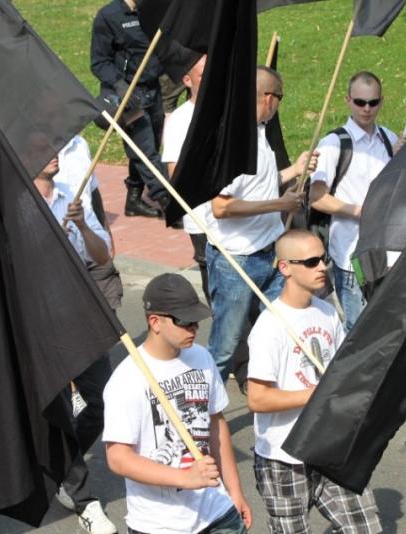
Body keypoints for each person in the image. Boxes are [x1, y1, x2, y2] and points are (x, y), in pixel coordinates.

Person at [246, 229, 382, 533]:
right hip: (283, 455)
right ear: (285, 268)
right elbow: (257, 399)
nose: (322, 266)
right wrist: (316, 394)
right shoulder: (269, 327)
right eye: (310, 262)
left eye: (324, 258)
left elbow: (341, 370)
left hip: (328, 443)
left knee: (365, 529)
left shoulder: (327, 312)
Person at [103, 273, 252, 534]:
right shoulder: (126, 379)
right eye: (184, 321)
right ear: (155, 322)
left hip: (216, 510)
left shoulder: (202, 357)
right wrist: (185, 478)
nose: (194, 328)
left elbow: (216, 424)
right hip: (160, 525)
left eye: (196, 321)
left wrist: (234, 491)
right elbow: (118, 458)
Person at [206, 66, 317, 380]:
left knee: (281, 328)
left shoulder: (260, 133)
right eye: (280, 97)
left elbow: (259, 186)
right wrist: (280, 204)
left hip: (270, 255)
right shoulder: (234, 142)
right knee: (226, 345)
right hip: (235, 261)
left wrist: (294, 170)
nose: (279, 105)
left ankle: (275, 388)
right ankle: (199, 412)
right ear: (269, 98)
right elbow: (220, 206)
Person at [33, 158, 117, 534]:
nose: (55, 153)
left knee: (102, 399)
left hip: (80, 310)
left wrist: (82, 224)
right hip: (38, 316)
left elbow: (103, 256)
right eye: (45, 146)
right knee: (59, 408)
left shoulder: (72, 196)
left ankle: (63, 466)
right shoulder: (13, 202)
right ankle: (84, 499)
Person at [309, 71, 401, 331]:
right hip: (352, 255)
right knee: (358, 328)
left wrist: (403, 159)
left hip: (386, 251)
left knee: (386, 324)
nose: (367, 109)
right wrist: (358, 211)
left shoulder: (388, 139)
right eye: (360, 102)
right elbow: (316, 197)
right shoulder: (333, 144)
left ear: (381, 102)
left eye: (373, 102)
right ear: (348, 100)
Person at [91, 0, 165, 218]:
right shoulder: (109, 16)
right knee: (145, 150)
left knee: (151, 146)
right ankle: (169, 201)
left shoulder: (153, 11)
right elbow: (99, 62)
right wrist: (120, 85)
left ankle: (133, 201)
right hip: (128, 97)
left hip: (153, 90)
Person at [162, 55, 213, 302]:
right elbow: (175, 175)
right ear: (187, 80)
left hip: (239, 219)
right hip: (204, 219)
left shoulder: (231, 112)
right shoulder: (179, 121)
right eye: (203, 74)